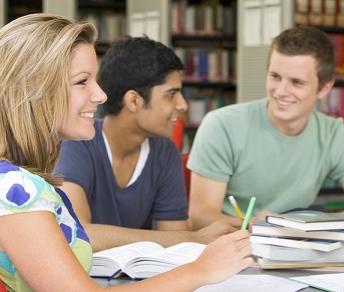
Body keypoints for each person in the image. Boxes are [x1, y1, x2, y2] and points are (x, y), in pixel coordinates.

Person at [0, 14, 251, 291]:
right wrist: (201, 270)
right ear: (34, 89)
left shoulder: (27, 182)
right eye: (82, 81)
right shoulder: (16, 188)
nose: (101, 95)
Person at [187, 25, 344, 229]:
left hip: (294, 245)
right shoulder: (222, 125)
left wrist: (302, 226)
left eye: (297, 82)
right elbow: (200, 216)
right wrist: (258, 227)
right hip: (230, 244)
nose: (281, 91)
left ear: (325, 88)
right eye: (275, 76)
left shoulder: (334, 135)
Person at [54, 37, 239, 252]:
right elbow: (80, 234)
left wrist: (188, 239)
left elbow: (175, 243)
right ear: (133, 101)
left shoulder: (165, 151)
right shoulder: (77, 142)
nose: (182, 105)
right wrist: (194, 238)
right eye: (171, 94)